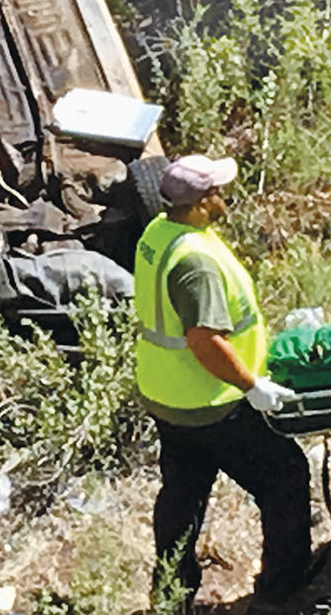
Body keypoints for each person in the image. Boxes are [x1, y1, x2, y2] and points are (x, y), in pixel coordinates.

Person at [133, 154, 311, 614]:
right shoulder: (197, 264)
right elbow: (205, 341)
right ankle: (280, 590)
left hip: (166, 395)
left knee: (182, 492)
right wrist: (252, 385)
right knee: (285, 475)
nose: (223, 198)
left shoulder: (160, 233)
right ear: (198, 204)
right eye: (215, 192)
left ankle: (171, 594)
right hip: (210, 403)